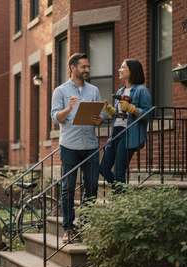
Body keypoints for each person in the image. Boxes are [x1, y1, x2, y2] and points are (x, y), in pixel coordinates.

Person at [51, 53, 104, 243]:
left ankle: (85, 224)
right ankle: (68, 229)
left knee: (91, 187)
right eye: (83, 67)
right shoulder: (60, 91)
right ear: (73, 68)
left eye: (88, 66)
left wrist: (100, 120)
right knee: (68, 188)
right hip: (69, 146)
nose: (87, 70)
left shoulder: (94, 90)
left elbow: (100, 114)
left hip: (90, 145)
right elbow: (55, 117)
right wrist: (69, 109)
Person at [100, 59, 152, 193]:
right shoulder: (121, 90)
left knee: (118, 172)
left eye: (123, 67)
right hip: (115, 132)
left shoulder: (141, 91)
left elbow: (148, 114)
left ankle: (118, 202)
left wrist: (133, 109)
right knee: (103, 168)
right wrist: (113, 113)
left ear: (132, 70)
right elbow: (121, 114)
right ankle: (122, 192)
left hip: (129, 134)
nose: (119, 70)